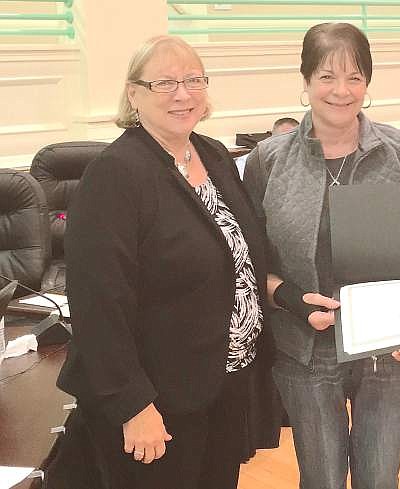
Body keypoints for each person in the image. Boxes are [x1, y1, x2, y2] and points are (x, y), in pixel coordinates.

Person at [55, 35, 279, 489]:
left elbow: (243, 257)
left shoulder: (211, 153)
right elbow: (98, 305)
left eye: (193, 79)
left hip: (221, 386)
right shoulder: (116, 174)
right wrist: (133, 405)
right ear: (134, 95)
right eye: (164, 83)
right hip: (157, 402)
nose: (183, 93)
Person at [243, 22, 400, 489]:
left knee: (380, 477)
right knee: (321, 478)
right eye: (327, 76)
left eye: (355, 77)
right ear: (304, 82)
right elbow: (247, 260)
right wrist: (291, 299)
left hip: (388, 353)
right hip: (306, 353)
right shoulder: (268, 160)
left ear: (367, 83)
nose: (342, 91)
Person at [235, 117, 299, 179]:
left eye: (291, 140)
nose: (286, 145)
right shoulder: (245, 162)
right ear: (270, 138)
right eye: (279, 140)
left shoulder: (305, 161)